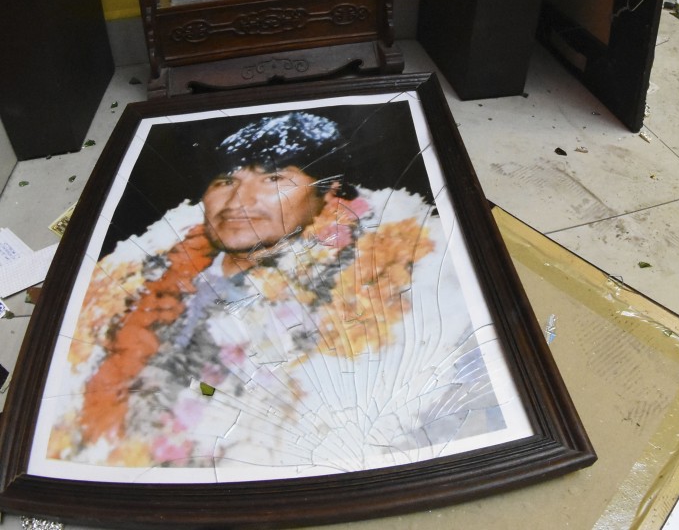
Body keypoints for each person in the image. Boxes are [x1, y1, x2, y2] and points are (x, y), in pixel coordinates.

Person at [45, 111, 515, 474]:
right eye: (225, 180)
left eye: (273, 178)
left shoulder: (379, 285)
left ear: (327, 191)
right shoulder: (137, 277)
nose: (239, 202)